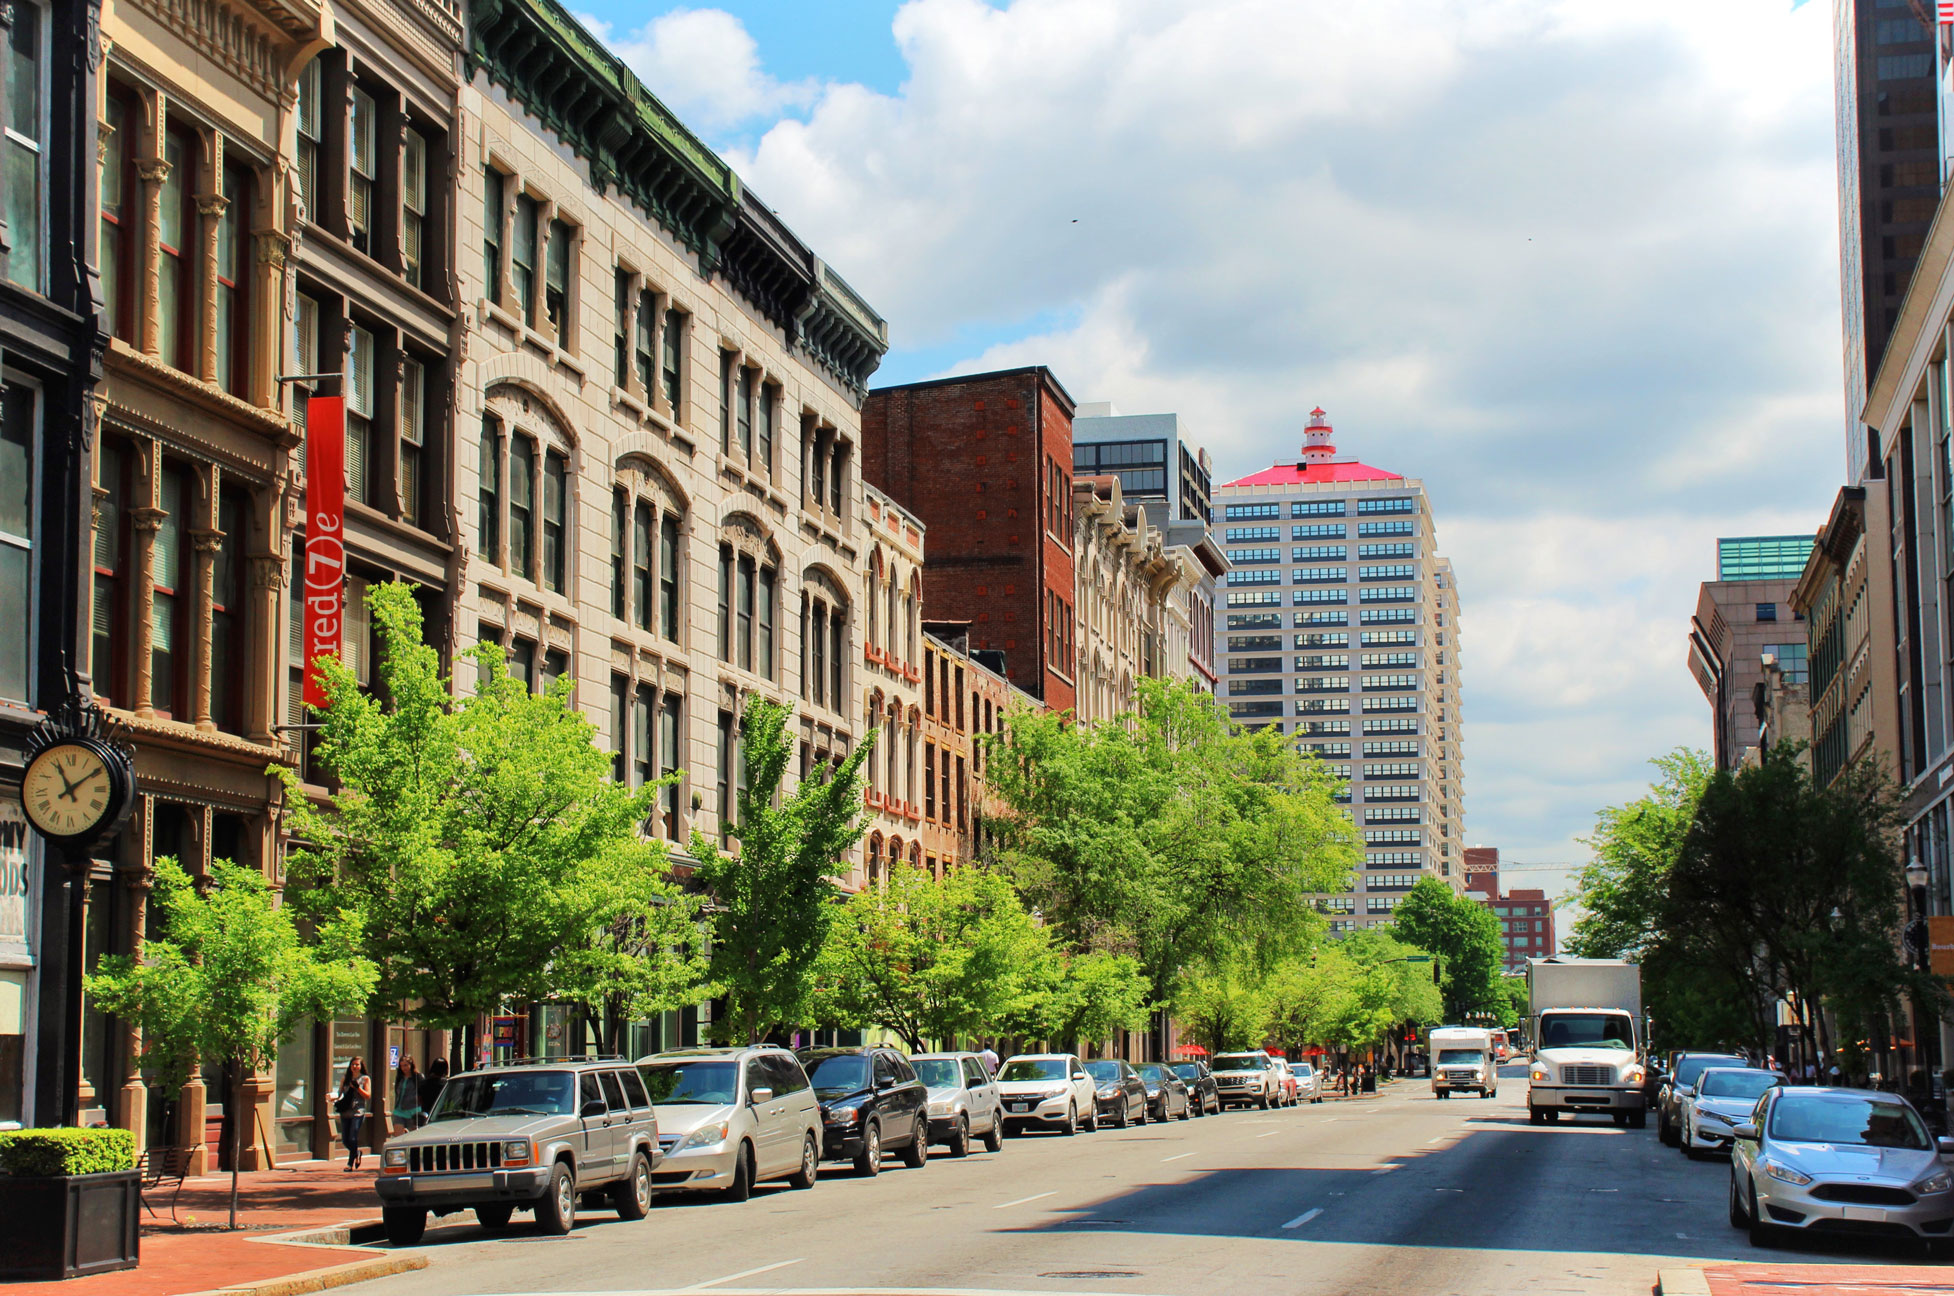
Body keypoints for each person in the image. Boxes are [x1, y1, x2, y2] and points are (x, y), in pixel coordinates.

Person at [334, 1057, 371, 1171]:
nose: (355, 1067)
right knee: (345, 1140)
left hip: (358, 1111)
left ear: (361, 1066)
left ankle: (350, 1164)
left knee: (353, 1136)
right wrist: (333, 1097)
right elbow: (340, 1092)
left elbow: (368, 1095)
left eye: (357, 1065)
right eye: (353, 1065)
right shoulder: (345, 1078)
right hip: (346, 1111)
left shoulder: (365, 1079)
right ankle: (357, 1152)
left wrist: (358, 1088)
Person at [393, 1056, 423, 1133]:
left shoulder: (418, 1077)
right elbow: (397, 1091)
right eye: (401, 1066)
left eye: (405, 1065)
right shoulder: (400, 1077)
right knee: (398, 1137)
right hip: (399, 1111)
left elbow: (422, 1093)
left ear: (411, 1065)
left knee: (411, 1137)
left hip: (413, 1111)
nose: (403, 1068)